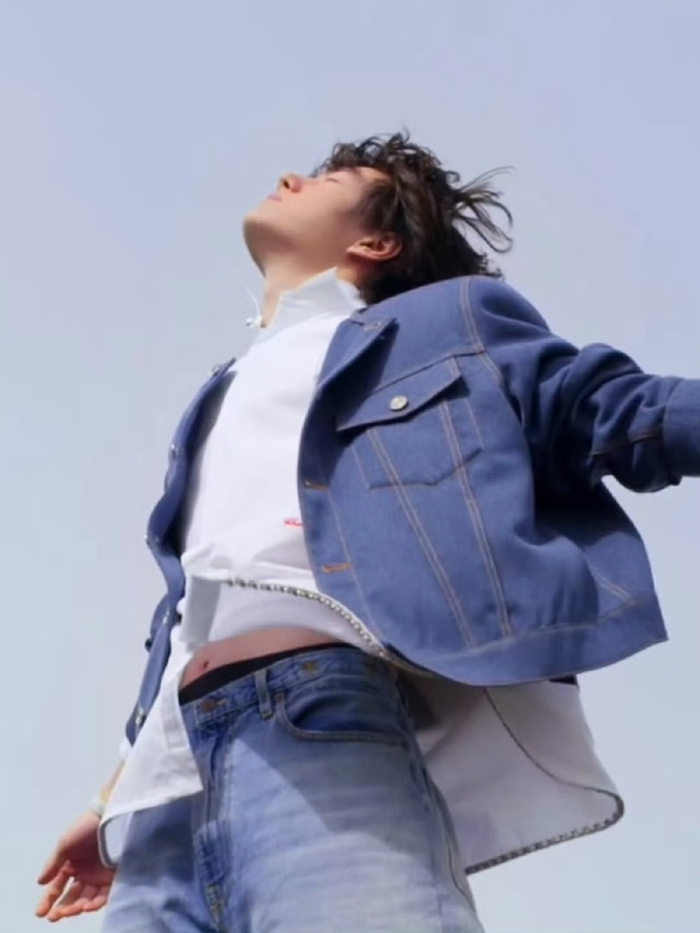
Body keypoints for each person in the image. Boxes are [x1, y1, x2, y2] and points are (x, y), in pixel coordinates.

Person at [36, 132, 700, 932]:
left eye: (331, 178)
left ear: (377, 242)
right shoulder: (222, 392)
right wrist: (116, 793)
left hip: (315, 713)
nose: (290, 175)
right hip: (166, 794)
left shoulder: (443, 323)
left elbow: (606, 409)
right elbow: (194, 607)